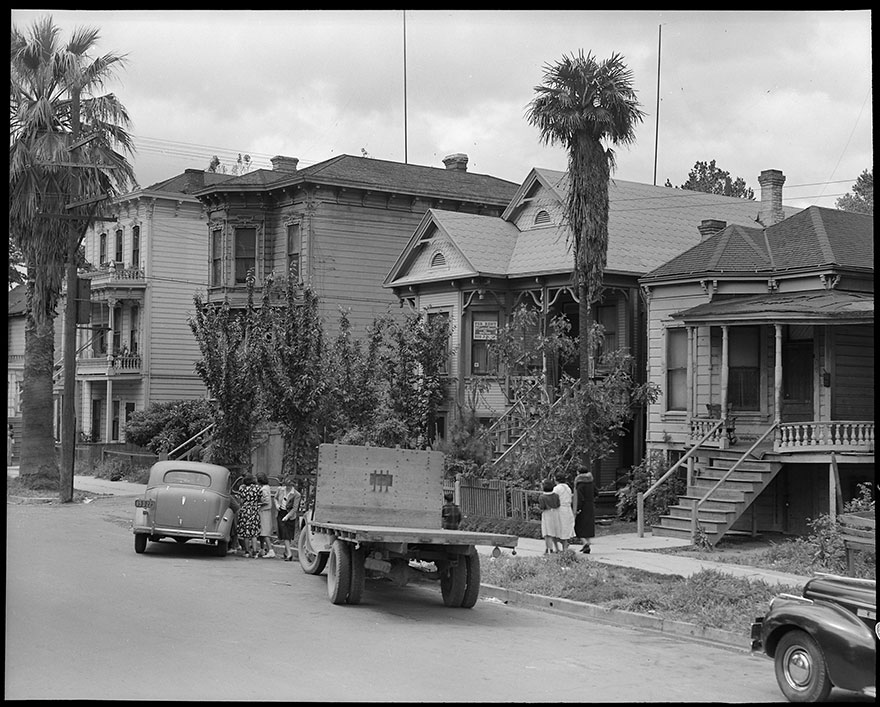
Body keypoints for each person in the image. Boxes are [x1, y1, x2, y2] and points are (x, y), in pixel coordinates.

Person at [275, 476, 301, 561]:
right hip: (281, 512)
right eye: (286, 485)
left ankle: (286, 553)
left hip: (290, 515)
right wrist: (277, 505)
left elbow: (295, 508)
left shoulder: (296, 494)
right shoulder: (280, 490)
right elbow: (275, 498)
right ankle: (289, 554)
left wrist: (287, 516)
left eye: (289, 486)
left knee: (288, 535)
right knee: (285, 534)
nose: (287, 487)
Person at [236, 473, 262, 558]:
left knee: (246, 533)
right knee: (254, 533)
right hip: (254, 511)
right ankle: (254, 552)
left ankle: (247, 551)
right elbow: (260, 499)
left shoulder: (242, 489)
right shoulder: (257, 488)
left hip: (245, 511)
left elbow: (240, 500)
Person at [573, 468, 598, 554]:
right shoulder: (591, 483)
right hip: (590, 505)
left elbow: (580, 498)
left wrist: (578, 508)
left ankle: (585, 542)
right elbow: (596, 492)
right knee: (588, 525)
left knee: (579, 525)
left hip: (583, 506)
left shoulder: (580, 484)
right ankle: (588, 543)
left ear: (579, 473)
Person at [552, 475, 576, 551]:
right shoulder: (568, 488)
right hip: (568, 509)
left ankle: (559, 547)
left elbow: (554, 499)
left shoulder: (556, 488)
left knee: (557, 529)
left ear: (556, 480)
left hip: (559, 509)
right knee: (565, 529)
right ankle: (565, 547)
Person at [537, 479, 562, 553]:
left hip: (546, 513)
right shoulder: (556, 495)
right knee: (553, 531)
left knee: (546, 532)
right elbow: (558, 505)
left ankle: (548, 548)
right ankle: (554, 548)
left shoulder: (542, 497)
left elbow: (542, 507)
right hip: (555, 513)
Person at [257, 471, 276, 558]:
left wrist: (259, 504)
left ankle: (270, 550)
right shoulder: (267, 487)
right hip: (265, 511)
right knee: (261, 532)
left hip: (264, 511)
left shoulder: (264, 489)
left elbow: (266, 500)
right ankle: (262, 549)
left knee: (264, 532)